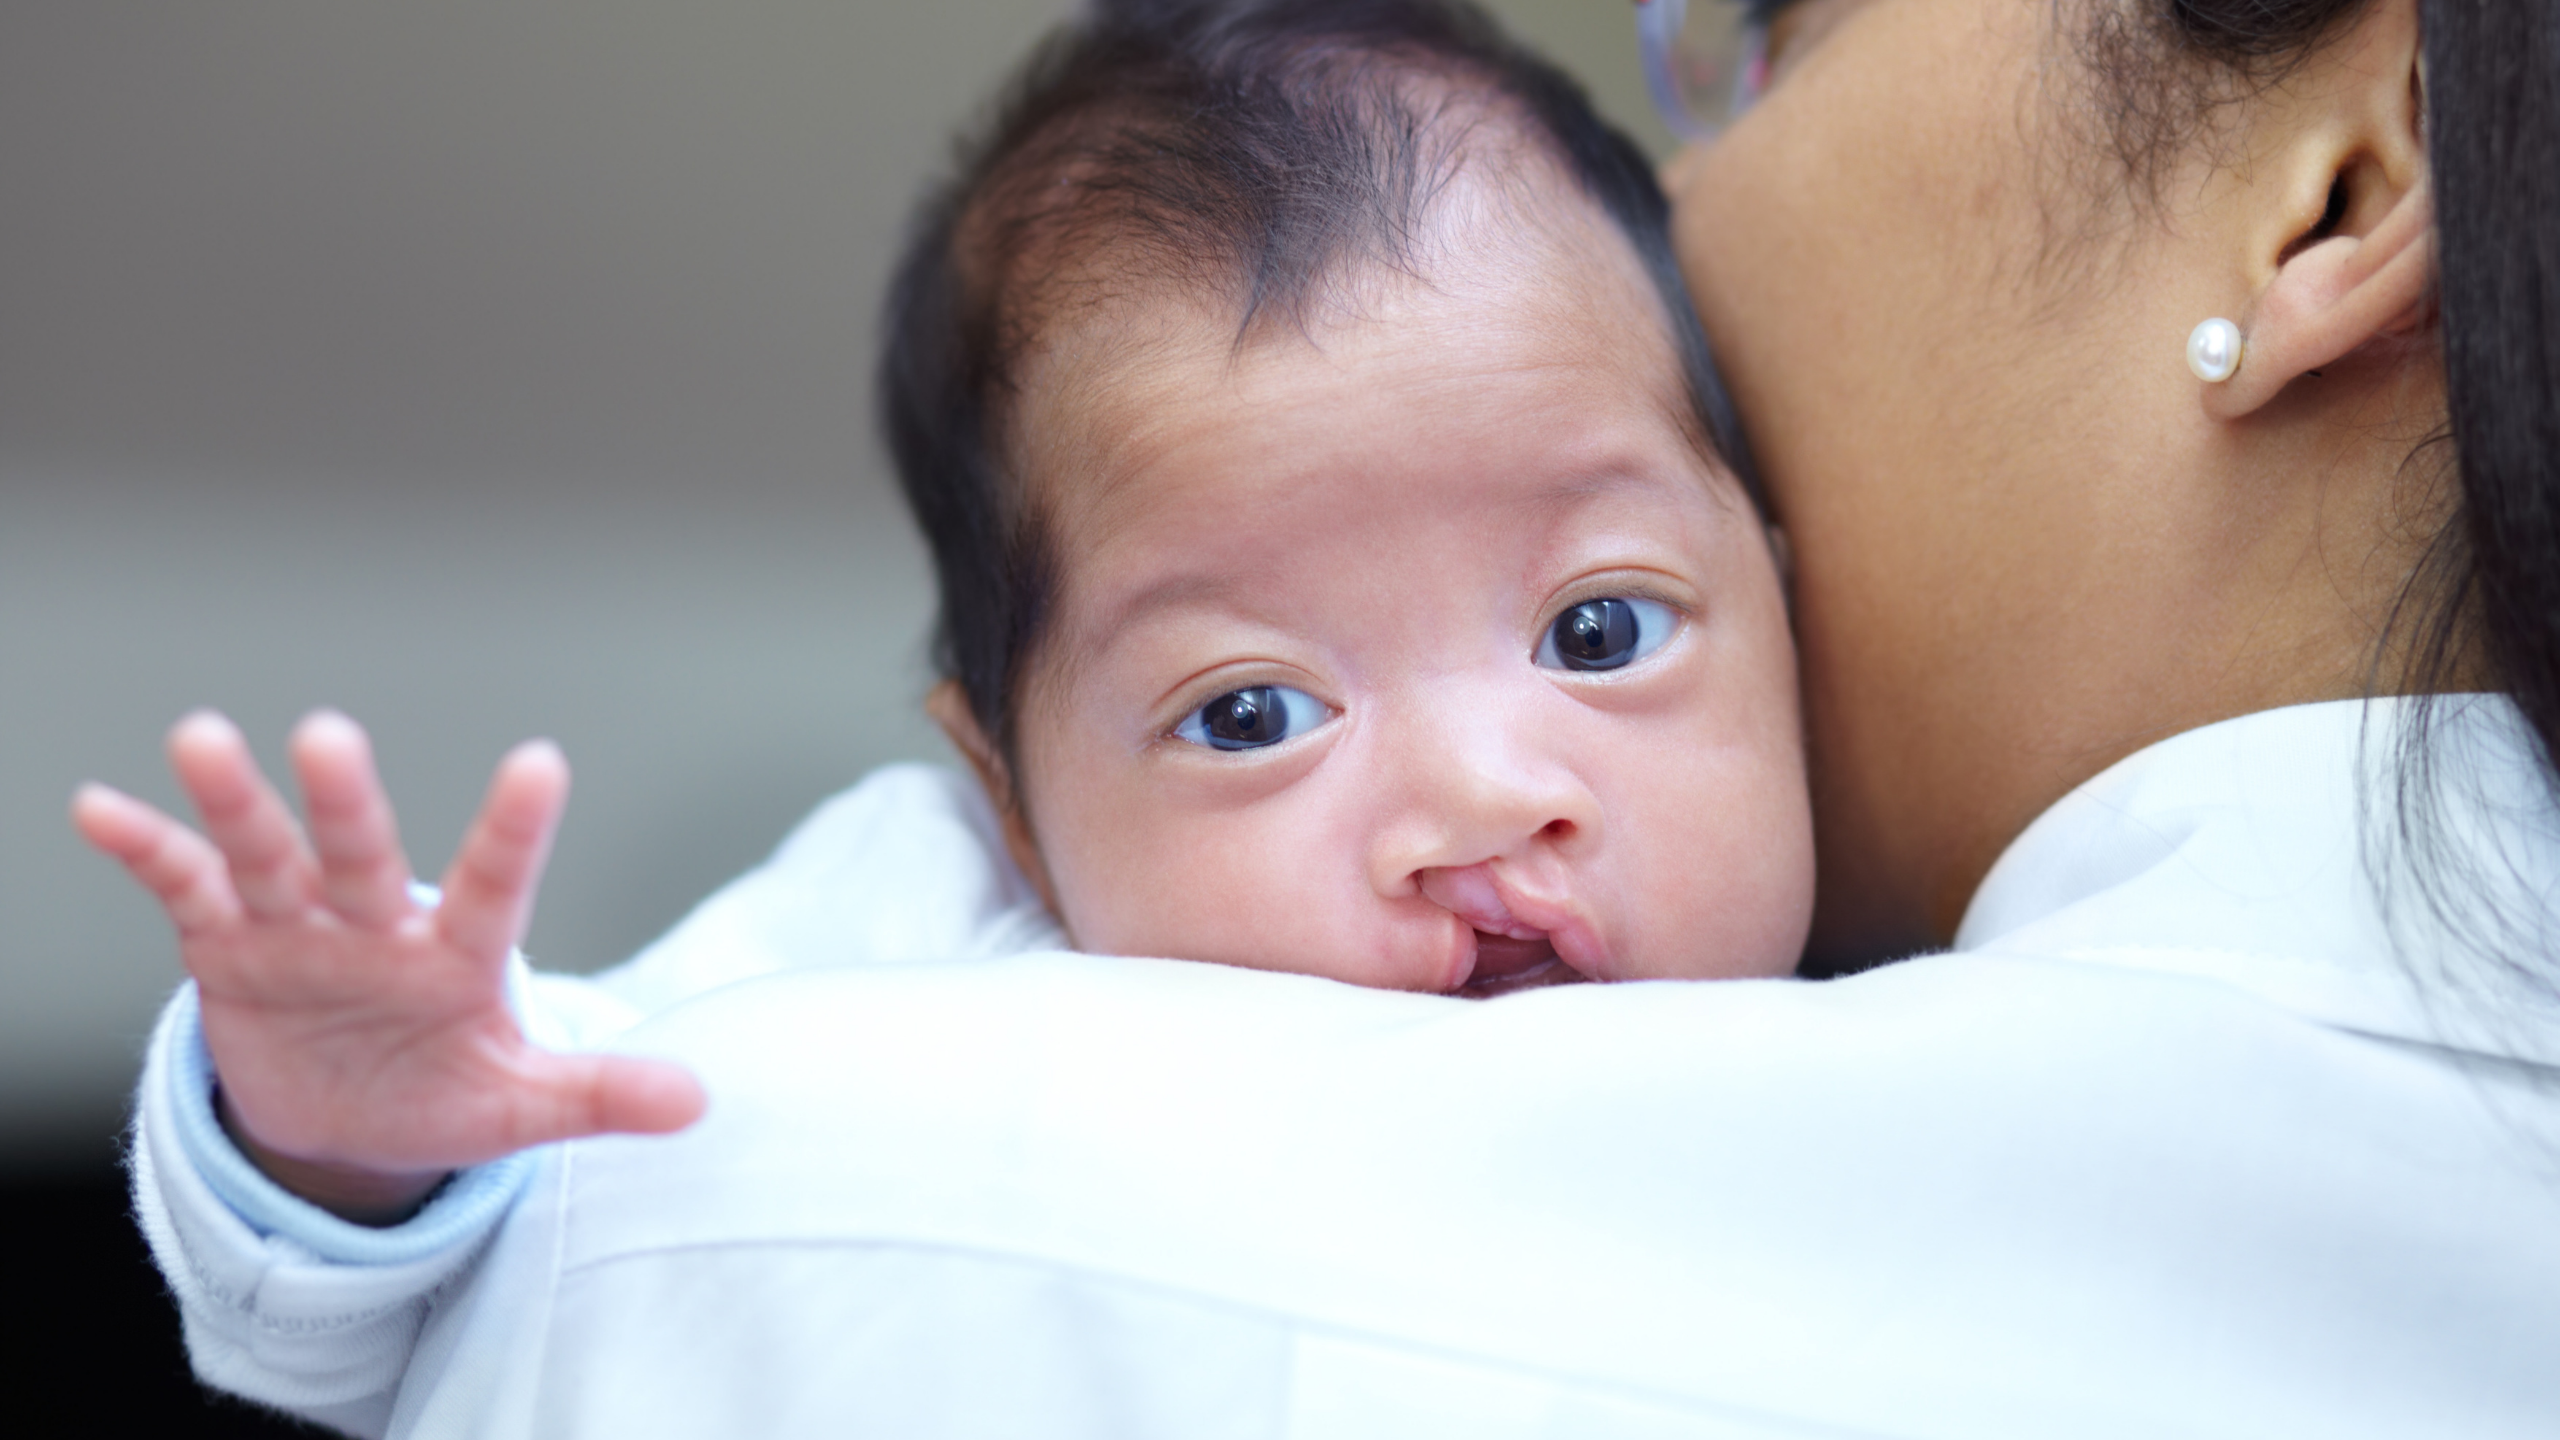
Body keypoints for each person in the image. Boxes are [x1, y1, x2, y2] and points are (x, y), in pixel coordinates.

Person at [76, 0, 2560, 1434]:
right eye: (1252, 709)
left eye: (1601, 635)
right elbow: (523, 1175)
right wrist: (341, 1137)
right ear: (1012, 807)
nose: (1480, 803)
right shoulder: (905, 955)